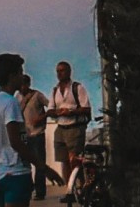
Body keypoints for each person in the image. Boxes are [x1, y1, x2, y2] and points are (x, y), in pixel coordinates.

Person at [0, 55, 36, 207]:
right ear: (12, 76)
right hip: (16, 173)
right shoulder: (11, 103)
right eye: (20, 73)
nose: (22, 77)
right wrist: (41, 166)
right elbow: (16, 142)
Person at [48, 62, 91, 190]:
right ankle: (69, 190)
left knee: (75, 160)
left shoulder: (77, 88)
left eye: (62, 70)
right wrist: (56, 112)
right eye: (58, 71)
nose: (59, 74)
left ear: (69, 71)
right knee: (64, 161)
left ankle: (82, 187)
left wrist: (70, 112)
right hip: (61, 127)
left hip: (74, 127)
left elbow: (86, 108)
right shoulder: (55, 90)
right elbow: (50, 109)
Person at [17, 72, 52, 199]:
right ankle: (28, 188)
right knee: (24, 165)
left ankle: (40, 192)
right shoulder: (18, 97)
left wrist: (41, 118)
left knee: (39, 164)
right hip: (25, 135)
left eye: (24, 85)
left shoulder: (37, 95)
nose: (22, 88)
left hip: (37, 134)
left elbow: (51, 107)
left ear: (28, 84)